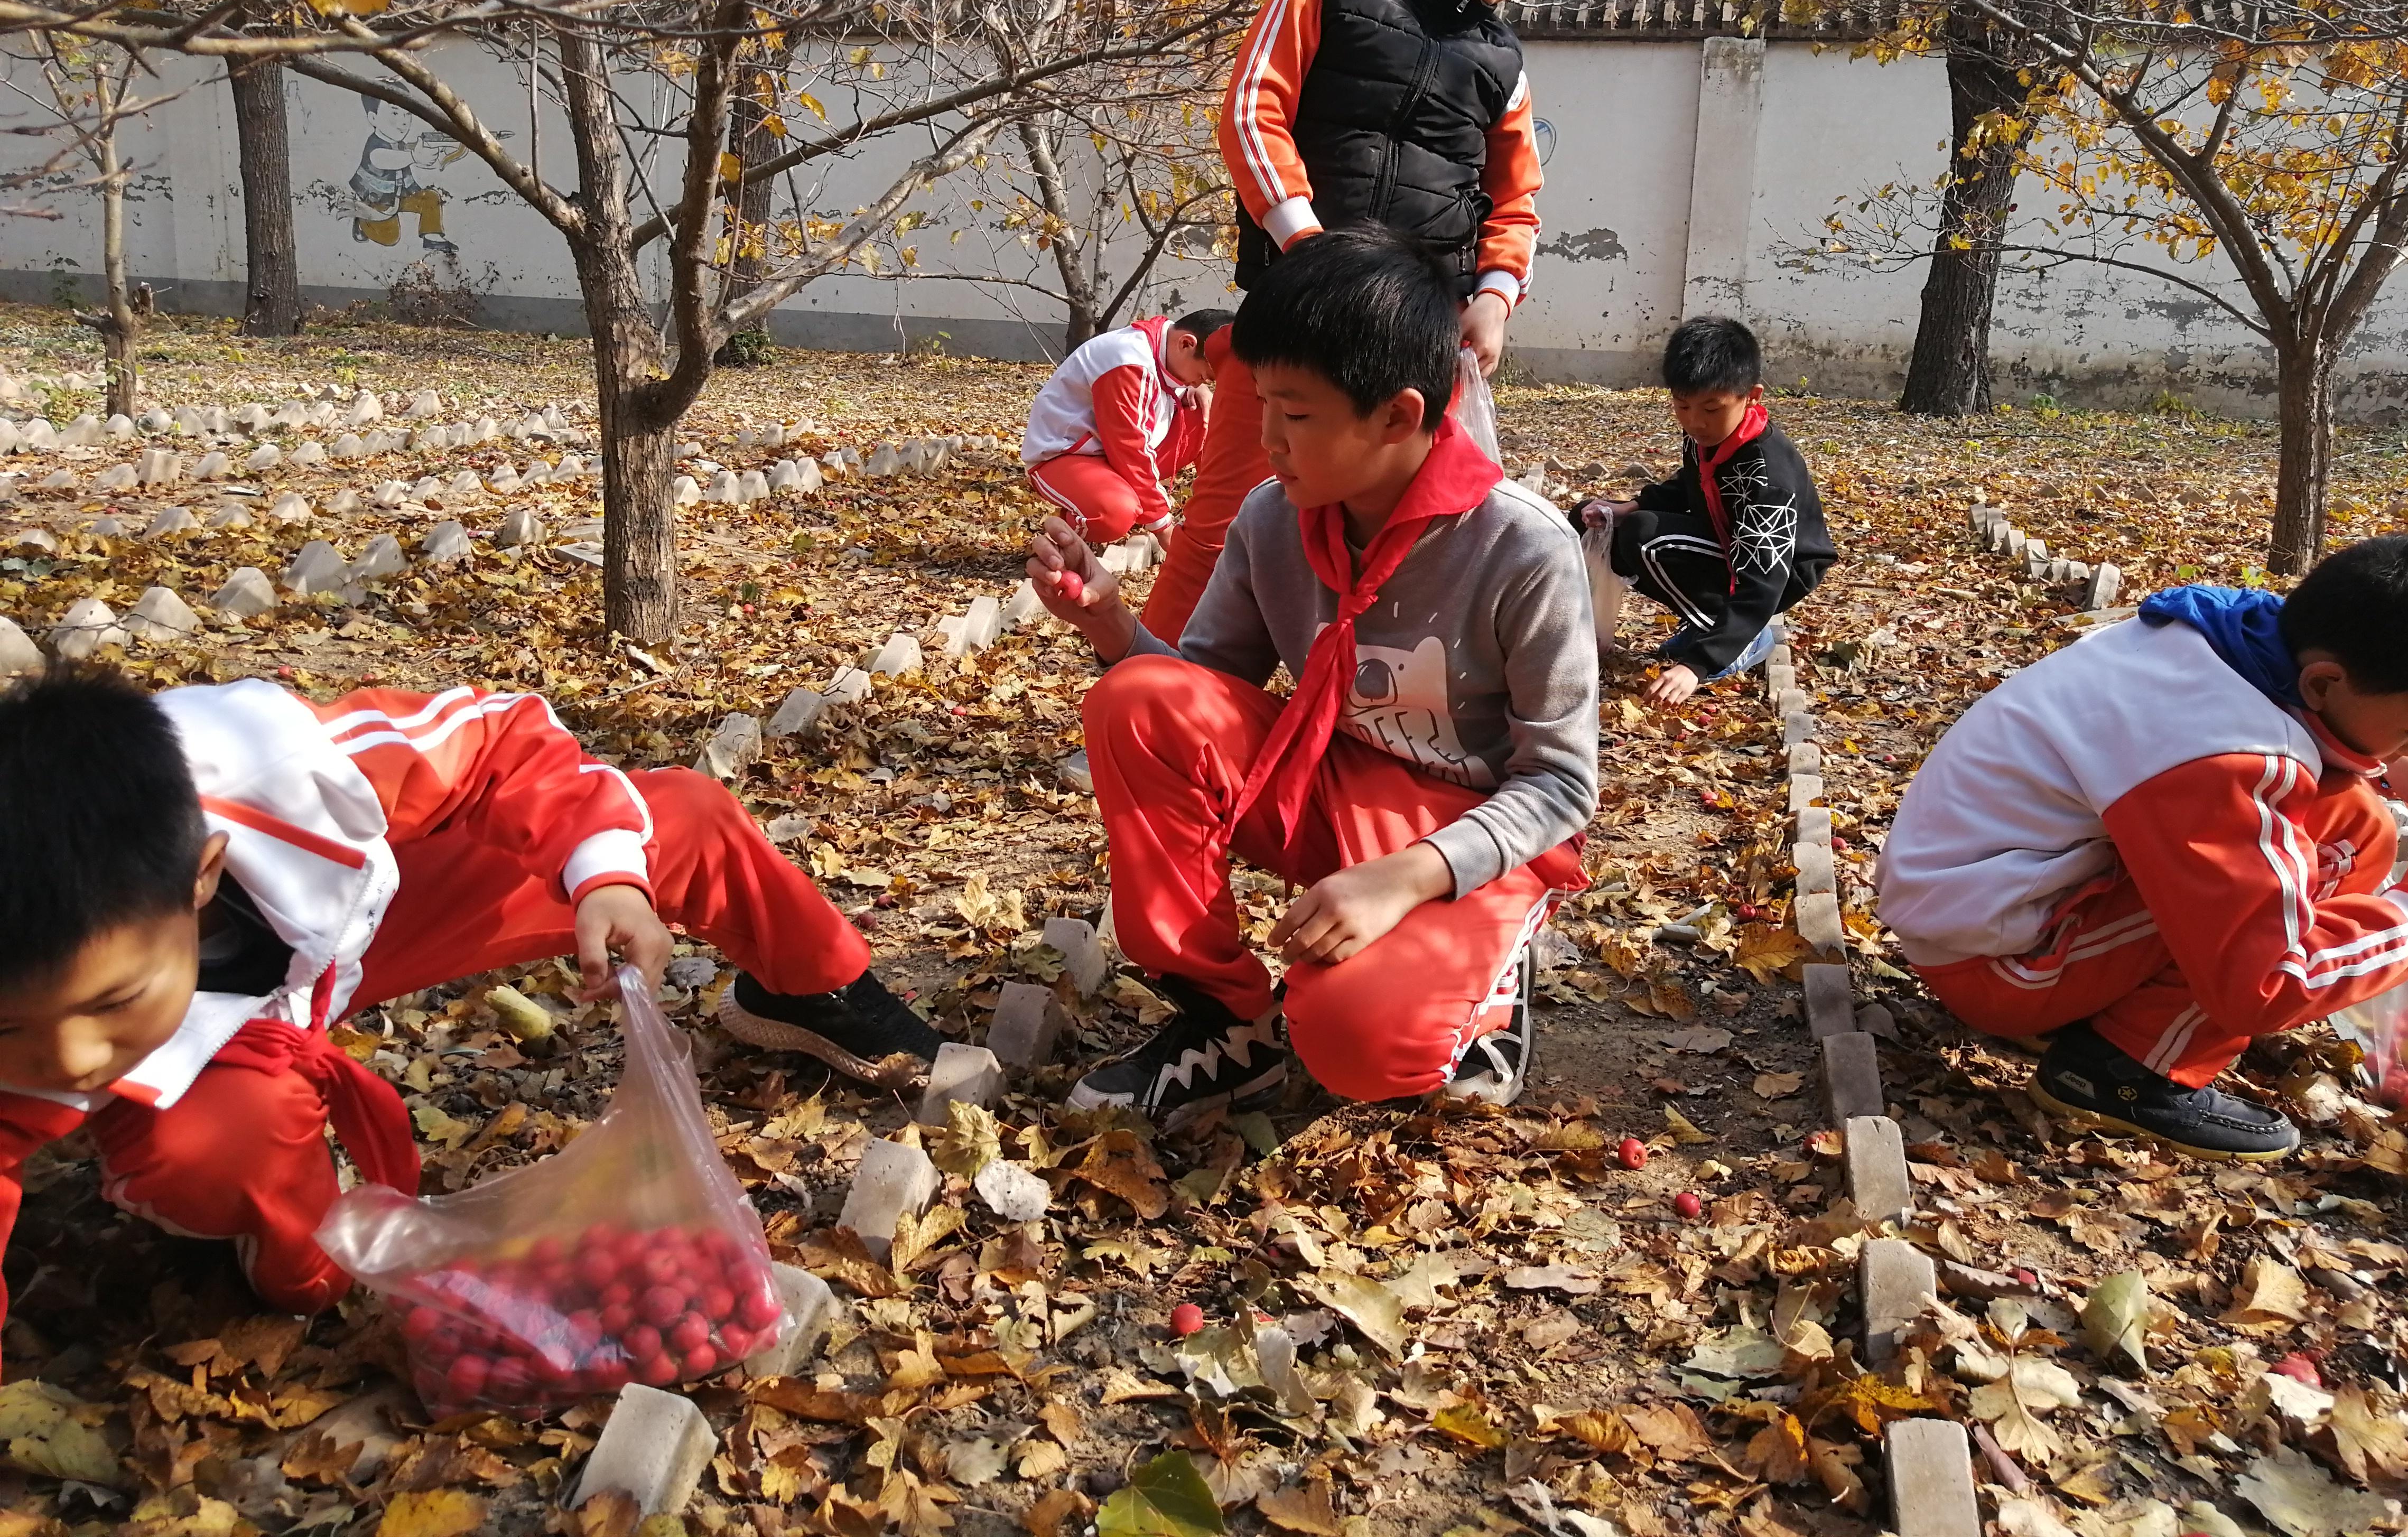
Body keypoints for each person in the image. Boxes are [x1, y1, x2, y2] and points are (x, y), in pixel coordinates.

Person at [0, 672, 942, 1326]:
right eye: (12, 1029)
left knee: (680, 819)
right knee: (219, 1145)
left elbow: (500, 743)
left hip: (340, 945)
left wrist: (603, 875)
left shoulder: (286, 769)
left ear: (201, 875)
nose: (75, 1056)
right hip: (208, 1060)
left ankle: (814, 992)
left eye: (111, 1002)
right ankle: (290, 1253)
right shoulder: (43, 1052)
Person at [1027, 224, 1598, 1118]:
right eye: (1259, 407)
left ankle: (1492, 971)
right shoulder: (1274, 518)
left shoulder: (1520, 547)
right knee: (1132, 700)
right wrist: (1111, 622)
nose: (1268, 440)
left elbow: (1561, 785)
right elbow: (1196, 695)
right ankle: (1226, 1016)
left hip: (1464, 831)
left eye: (1294, 415)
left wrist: (1407, 875)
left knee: (1356, 1044)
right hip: (1325, 784)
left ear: (1398, 415)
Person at [1875, 539, 2408, 1161]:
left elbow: (2278, 728)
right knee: (2326, 860)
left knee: (2354, 818)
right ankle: (2125, 1072)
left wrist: (2384, 768)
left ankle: (2108, 1018)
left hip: (1977, 905)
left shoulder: (2233, 637)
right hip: (1997, 967)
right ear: (2325, 682)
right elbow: (2269, 982)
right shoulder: (2220, 756)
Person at [1138, 0, 1563, 641]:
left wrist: (1497, 298)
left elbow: (1517, 199)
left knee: (1429, 536)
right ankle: (1153, 697)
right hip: (1295, 321)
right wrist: (1304, 244)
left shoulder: (1501, 63)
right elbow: (1251, 112)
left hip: (1420, 339)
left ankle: (1379, 724)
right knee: (1225, 526)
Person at [1572, 318, 1836, 704]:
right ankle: (1708, 624)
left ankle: (1737, 638)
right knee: (1601, 521)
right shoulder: (1706, 437)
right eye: (1683, 406)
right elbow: (1693, 484)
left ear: (1752, 396)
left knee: (1647, 540)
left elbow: (1763, 581)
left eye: (1712, 408)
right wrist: (1631, 504)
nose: (1696, 421)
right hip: (1728, 541)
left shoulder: (1767, 477)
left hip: (1779, 573)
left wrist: (1698, 665)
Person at [1021, 312, 1221, 548]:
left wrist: (1189, 390)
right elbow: (1131, 450)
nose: (1200, 383)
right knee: (1116, 513)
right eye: (1202, 376)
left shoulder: (1166, 345)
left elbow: (1158, 390)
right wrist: (1165, 529)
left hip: (1108, 452)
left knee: (1207, 411)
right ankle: (1064, 535)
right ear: (1187, 343)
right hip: (1066, 454)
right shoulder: (1127, 362)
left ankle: (1217, 517)